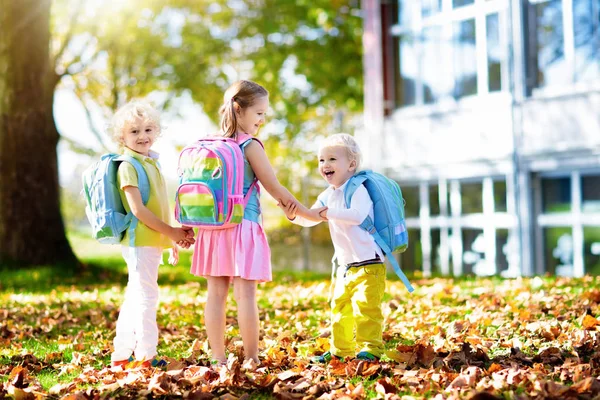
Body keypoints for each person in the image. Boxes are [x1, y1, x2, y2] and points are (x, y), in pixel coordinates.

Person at [190, 80, 323, 367]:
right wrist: (310, 214)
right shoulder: (249, 145)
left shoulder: (211, 143)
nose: (262, 120)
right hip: (242, 227)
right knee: (245, 295)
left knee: (215, 295)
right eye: (259, 113)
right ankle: (251, 358)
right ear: (239, 110)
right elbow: (275, 188)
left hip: (212, 229)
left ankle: (218, 359)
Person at [279, 133, 386, 363]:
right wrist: (294, 216)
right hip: (345, 266)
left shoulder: (358, 189)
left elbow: (358, 216)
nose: (325, 165)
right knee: (340, 309)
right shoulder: (327, 194)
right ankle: (341, 350)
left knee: (367, 310)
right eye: (321, 160)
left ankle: (371, 349)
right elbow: (311, 217)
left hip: (369, 263)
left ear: (351, 164)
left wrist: (328, 212)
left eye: (331, 159)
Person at [109, 100, 195, 368]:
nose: (142, 136)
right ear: (121, 137)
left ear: (157, 131)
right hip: (139, 241)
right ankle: (146, 355)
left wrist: (170, 238)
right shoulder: (128, 165)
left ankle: (121, 355)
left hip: (152, 240)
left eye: (148, 130)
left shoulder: (151, 163)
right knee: (147, 296)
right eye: (134, 132)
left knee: (136, 295)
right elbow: (138, 210)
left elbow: (158, 205)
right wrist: (170, 231)